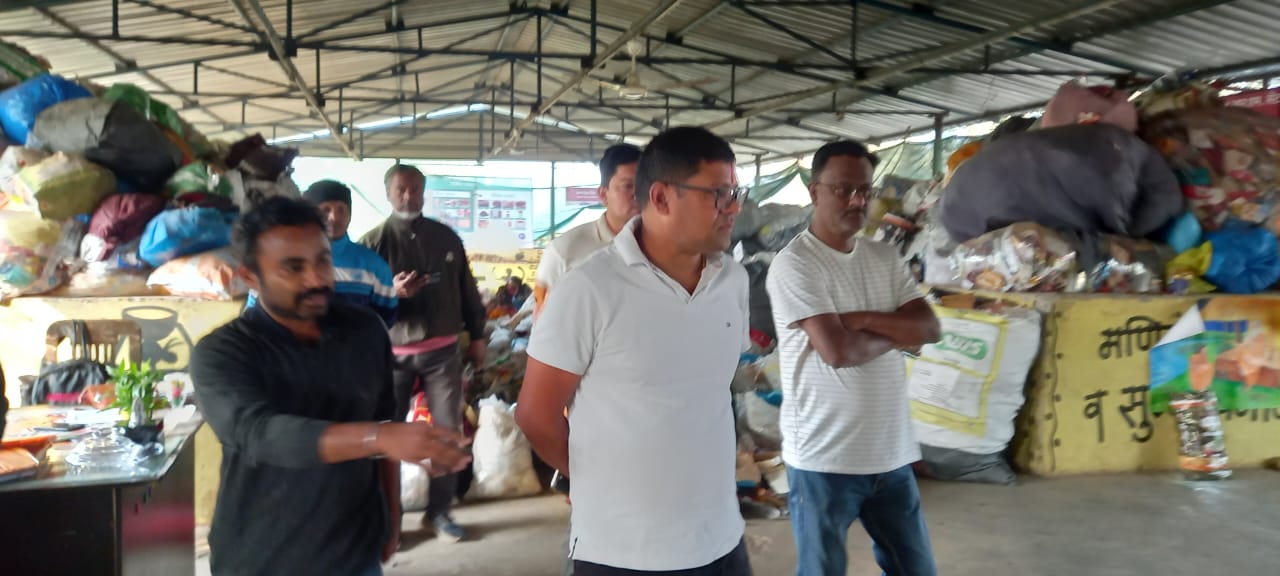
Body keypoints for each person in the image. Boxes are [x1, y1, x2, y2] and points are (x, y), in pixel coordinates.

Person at [190, 197, 471, 576]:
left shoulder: (365, 330)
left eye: (322, 261)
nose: (316, 279)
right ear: (251, 277)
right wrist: (378, 438)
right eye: (293, 268)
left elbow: (385, 422)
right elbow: (257, 432)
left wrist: (390, 516)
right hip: (263, 554)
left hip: (354, 546)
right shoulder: (223, 351)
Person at [516, 127, 753, 575]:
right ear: (661, 198)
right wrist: (599, 482)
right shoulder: (589, 288)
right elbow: (535, 415)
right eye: (719, 194)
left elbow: (707, 393)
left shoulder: (732, 281)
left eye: (735, 193)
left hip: (720, 538)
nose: (734, 208)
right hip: (623, 551)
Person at [765, 141, 942, 576]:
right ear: (814, 191)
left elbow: (929, 328)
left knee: (916, 569)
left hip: (891, 453)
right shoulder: (796, 264)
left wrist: (860, 319)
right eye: (843, 190)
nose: (857, 201)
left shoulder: (884, 257)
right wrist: (897, 332)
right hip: (824, 459)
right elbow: (839, 351)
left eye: (865, 190)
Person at [361, 163, 487, 542]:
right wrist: (392, 292)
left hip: (442, 352)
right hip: (392, 355)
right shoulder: (373, 243)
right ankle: (390, 520)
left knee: (447, 433)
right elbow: (359, 304)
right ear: (388, 193)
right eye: (400, 189)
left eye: (415, 188)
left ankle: (439, 512)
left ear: (423, 191)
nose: (408, 195)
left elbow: (467, 289)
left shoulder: (446, 238)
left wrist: (477, 335)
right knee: (387, 436)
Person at [245, 180, 398, 327]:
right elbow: (254, 315)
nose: (334, 217)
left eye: (341, 209)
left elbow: (385, 319)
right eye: (325, 210)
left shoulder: (373, 265)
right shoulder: (278, 260)